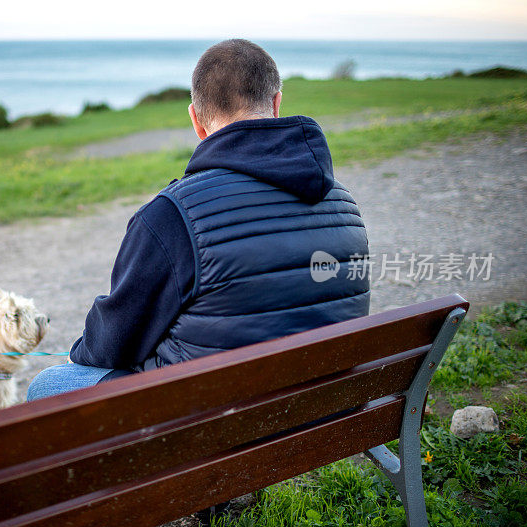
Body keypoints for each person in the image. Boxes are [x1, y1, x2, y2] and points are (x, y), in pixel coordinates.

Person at [28, 38, 370, 400]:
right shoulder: (344, 202)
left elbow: (112, 344)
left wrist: (78, 354)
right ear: (276, 103)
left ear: (196, 119)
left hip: (218, 425)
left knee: (49, 384)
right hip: (325, 408)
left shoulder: (172, 215)